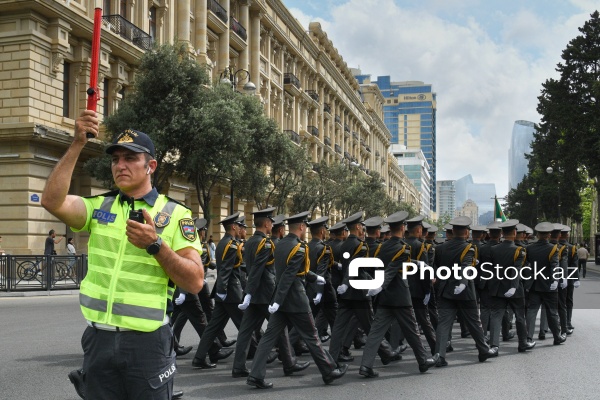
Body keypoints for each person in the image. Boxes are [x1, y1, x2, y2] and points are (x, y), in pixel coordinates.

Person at [41, 110, 204, 400]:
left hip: (148, 343)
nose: (120, 165)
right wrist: (77, 143)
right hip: (98, 339)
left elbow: (195, 282)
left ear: (150, 166)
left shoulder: (176, 214)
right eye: (115, 159)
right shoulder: (99, 206)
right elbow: (51, 200)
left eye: (130, 158)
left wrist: (157, 246)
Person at [246, 211, 347, 389]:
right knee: (312, 337)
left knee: (268, 338)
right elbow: (289, 275)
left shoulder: (281, 244)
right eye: (305, 226)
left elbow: (297, 271)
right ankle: (329, 370)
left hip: (281, 300)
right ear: (301, 227)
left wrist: (315, 278)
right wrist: (277, 300)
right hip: (296, 300)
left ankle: (255, 375)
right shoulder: (300, 247)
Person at [358, 211, 438, 378]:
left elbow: (388, 264)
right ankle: (423, 361)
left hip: (385, 297)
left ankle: (365, 366)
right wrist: (380, 284)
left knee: (375, 333)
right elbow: (394, 267)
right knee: (412, 331)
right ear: (402, 228)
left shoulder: (382, 246)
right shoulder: (404, 248)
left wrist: (419, 264)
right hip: (401, 296)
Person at [232, 207, 304, 378]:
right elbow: (258, 270)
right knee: (279, 328)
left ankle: (238, 366)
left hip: (254, 294)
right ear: (266, 223)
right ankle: (289, 363)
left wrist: (249, 293)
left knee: (245, 330)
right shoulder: (265, 243)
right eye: (271, 222)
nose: (272, 224)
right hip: (265, 292)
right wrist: (249, 292)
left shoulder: (248, 242)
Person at [433, 216, 496, 367]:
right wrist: (462, 283)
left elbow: (435, 267)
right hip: (465, 290)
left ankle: (439, 355)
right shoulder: (470, 248)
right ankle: (483, 350)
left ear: (453, 231)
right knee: (474, 322)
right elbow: (466, 266)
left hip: (446, 289)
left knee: (443, 323)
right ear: (467, 232)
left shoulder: (440, 247)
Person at [487, 219, 536, 354]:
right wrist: (514, 286)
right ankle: (523, 344)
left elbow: (490, 269)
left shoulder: (493, 249)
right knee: (520, 317)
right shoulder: (519, 250)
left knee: (496, 316)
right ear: (515, 233)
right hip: (514, 288)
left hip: (497, 287)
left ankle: (494, 346)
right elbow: (516, 270)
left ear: (502, 233)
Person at [524, 222, 566, 346]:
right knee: (552, 312)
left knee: (531, 312)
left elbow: (526, 266)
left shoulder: (529, 248)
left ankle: (529, 338)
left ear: (537, 234)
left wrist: (529, 278)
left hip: (534, 285)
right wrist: (555, 280)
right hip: (549, 285)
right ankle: (557, 337)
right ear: (549, 235)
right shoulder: (553, 248)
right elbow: (555, 266)